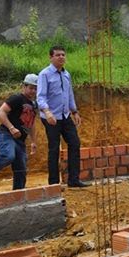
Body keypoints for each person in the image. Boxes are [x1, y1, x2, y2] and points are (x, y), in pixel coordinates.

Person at [37, 45, 87, 188]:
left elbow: (69, 94)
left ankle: (73, 179)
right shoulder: (44, 74)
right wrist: (47, 112)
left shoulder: (66, 75)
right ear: (51, 57)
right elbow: (40, 97)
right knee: (54, 149)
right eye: (57, 55)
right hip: (51, 117)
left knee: (75, 143)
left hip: (65, 116)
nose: (61, 57)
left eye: (63, 55)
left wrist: (74, 111)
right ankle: (53, 183)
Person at [0, 74, 39, 190]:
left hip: (20, 141)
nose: (33, 91)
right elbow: (0, 112)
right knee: (8, 155)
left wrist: (33, 141)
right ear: (24, 86)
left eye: (35, 88)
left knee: (21, 169)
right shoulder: (16, 98)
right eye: (31, 88)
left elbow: (31, 124)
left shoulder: (33, 104)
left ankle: (18, 195)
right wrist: (11, 128)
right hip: (6, 135)